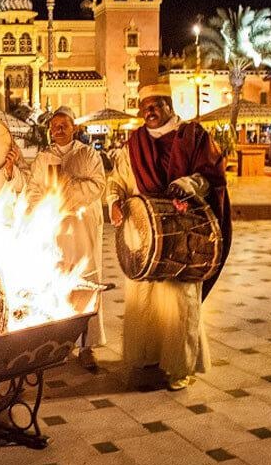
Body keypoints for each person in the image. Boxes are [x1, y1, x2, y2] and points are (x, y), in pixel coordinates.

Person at [107, 84, 232, 390]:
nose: (149, 111)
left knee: (180, 302)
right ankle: (148, 356)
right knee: (145, 298)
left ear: (169, 105)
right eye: (145, 106)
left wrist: (188, 185)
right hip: (145, 234)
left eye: (156, 105)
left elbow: (212, 176)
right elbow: (118, 180)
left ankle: (180, 368)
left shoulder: (193, 136)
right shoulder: (134, 143)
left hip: (183, 233)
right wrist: (113, 202)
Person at [27, 106, 107, 369]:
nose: (58, 130)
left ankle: (86, 346)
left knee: (87, 281)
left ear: (74, 127)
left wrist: (66, 188)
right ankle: (56, 344)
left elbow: (97, 185)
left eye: (64, 125)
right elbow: (33, 190)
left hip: (83, 227)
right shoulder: (43, 158)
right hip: (56, 228)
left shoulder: (88, 154)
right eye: (54, 126)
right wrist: (46, 207)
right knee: (56, 280)